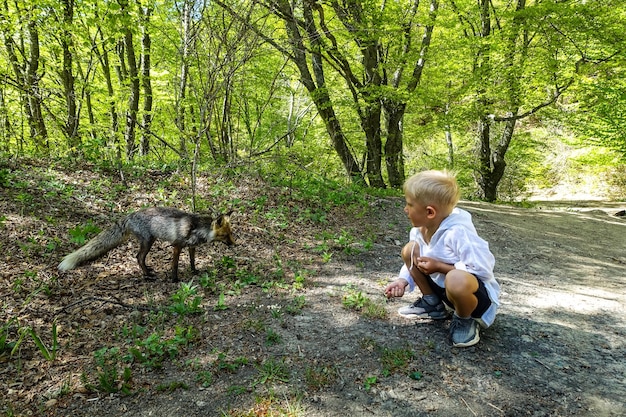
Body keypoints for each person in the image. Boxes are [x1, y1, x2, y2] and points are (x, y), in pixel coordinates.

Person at [384, 170, 500, 347]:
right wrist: (402, 280)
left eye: (409, 204)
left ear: (430, 212)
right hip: (444, 291)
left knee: (456, 278)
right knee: (409, 250)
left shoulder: (458, 232)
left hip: (473, 298)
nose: (405, 209)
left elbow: (482, 269)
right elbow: (413, 262)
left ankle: (465, 319)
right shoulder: (419, 230)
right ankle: (432, 304)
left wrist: (440, 267)